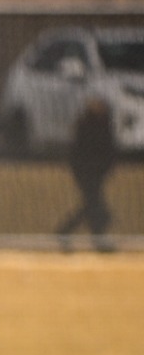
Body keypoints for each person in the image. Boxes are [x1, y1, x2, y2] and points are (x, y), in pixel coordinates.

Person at [58, 96, 119, 253]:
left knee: (93, 206)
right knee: (97, 208)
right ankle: (68, 232)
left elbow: (107, 150)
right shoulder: (87, 125)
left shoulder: (102, 125)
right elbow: (79, 152)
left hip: (95, 173)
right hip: (87, 173)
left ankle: (68, 232)